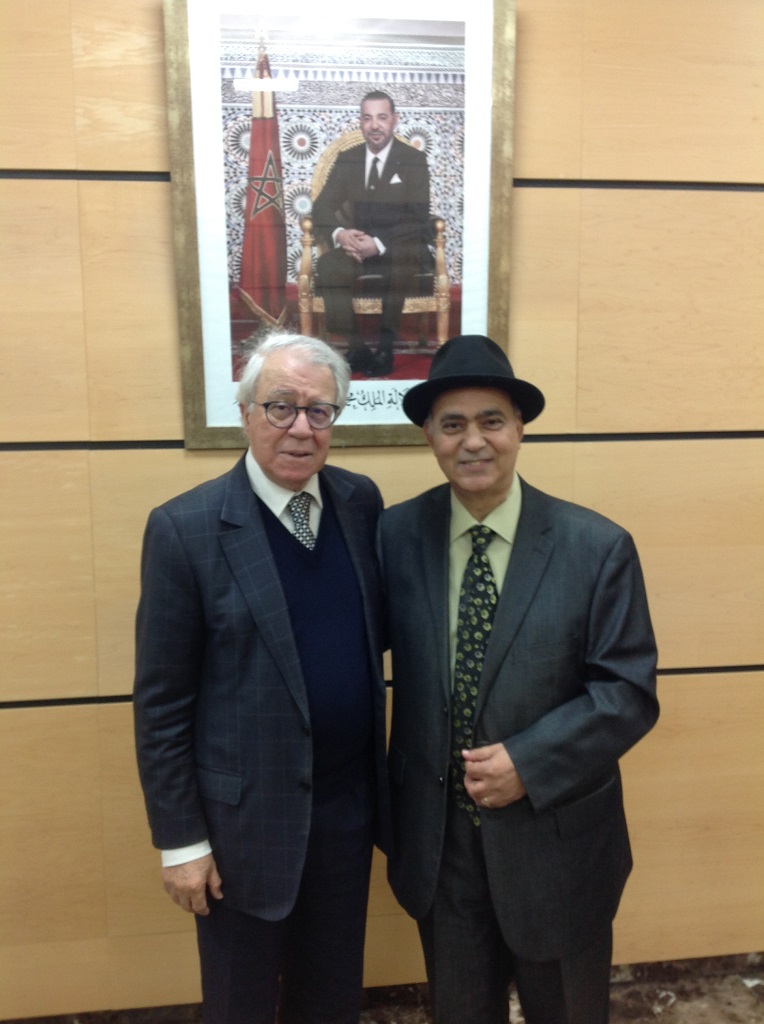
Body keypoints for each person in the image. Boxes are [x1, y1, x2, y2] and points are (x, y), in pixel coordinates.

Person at [378, 335, 659, 1024]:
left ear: (520, 428)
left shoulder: (596, 547)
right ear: (429, 436)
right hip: (440, 851)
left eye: (491, 421)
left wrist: (530, 763)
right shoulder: (393, 538)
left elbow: (627, 692)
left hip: (558, 846)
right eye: (452, 424)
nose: (473, 441)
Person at [133, 333, 391, 1024]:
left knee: (331, 1001)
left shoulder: (359, 503)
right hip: (240, 831)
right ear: (246, 412)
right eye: (281, 407)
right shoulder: (185, 529)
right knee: (240, 1006)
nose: (301, 428)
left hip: (345, 816)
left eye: (319, 410)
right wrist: (182, 842)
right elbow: (161, 704)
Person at [311, 89, 433, 377]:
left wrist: (378, 243)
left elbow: (419, 219)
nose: (374, 125)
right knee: (328, 265)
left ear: (394, 120)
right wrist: (341, 234)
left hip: (400, 247)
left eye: (381, 117)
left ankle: (385, 347)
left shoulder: (413, 159)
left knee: (400, 260)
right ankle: (356, 347)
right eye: (367, 118)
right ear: (361, 122)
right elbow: (321, 208)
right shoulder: (348, 159)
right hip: (357, 247)